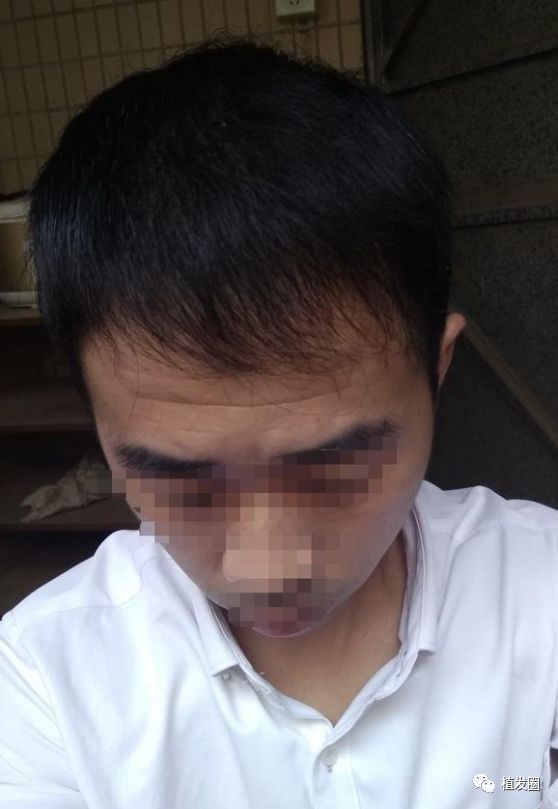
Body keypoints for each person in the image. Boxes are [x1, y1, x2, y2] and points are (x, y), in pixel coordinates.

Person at [1, 35, 556, 809]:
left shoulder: (544, 596)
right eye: (180, 480)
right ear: (100, 424)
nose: (267, 566)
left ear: (436, 370)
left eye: (334, 466)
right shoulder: (42, 688)